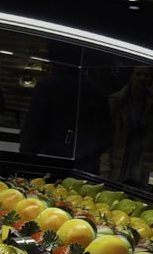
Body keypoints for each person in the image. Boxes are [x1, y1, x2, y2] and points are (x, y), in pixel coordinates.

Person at [19, 42, 111, 173]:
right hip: (84, 169)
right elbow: (105, 136)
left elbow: (31, 132)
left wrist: (25, 167)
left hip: (48, 165)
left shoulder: (47, 86)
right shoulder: (96, 92)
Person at [99, 66, 153, 195]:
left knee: (135, 199)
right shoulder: (117, 102)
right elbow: (105, 136)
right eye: (138, 74)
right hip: (118, 159)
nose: (142, 78)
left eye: (146, 75)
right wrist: (105, 166)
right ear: (131, 77)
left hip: (140, 162)